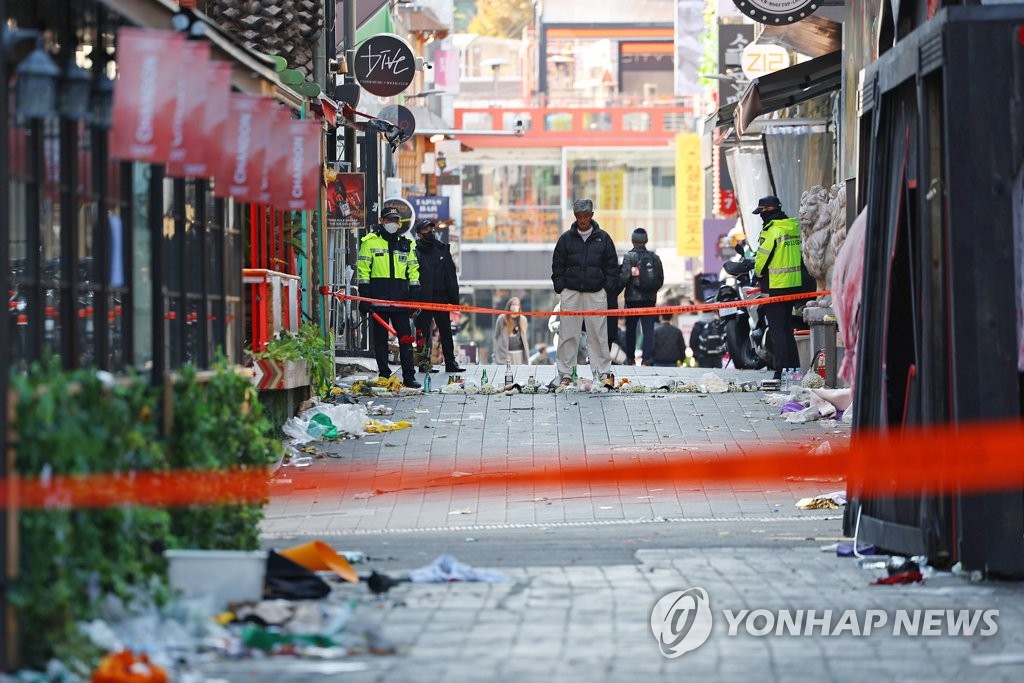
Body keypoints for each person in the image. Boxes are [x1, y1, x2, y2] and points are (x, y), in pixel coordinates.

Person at [551, 198, 618, 388]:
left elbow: (612, 266)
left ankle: (602, 372)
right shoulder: (566, 239)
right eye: (579, 216)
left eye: (585, 216)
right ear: (575, 217)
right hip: (571, 291)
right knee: (567, 333)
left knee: (598, 333)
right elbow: (557, 265)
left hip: (596, 292)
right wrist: (561, 288)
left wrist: (606, 288)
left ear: (591, 216)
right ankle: (566, 373)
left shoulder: (603, 238)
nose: (582, 220)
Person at [357, 207, 421, 388]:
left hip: (401, 300)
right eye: (389, 220)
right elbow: (363, 271)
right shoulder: (369, 242)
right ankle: (385, 375)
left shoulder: (406, 244)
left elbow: (413, 271)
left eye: (396, 220)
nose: (393, 223)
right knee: (380, 340)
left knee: (406, 339)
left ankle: (409, 376)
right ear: (382, 221)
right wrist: (365, 297)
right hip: (378, 299)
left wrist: (414, 297)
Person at [752, 195, 808, 380]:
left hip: (775, 285)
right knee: (786, 328)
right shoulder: (792, 226)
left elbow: (761, 259)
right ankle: (794, 370)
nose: (760, 216)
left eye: (761, 212)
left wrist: (758, 275)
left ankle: (780, 371)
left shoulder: (771, 230)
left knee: (777, 330)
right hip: (794, 285)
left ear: (768, 211)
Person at [411, 218, 466, 373]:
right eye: (426, 230)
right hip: (424, 299)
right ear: (419, 234)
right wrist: (414, 298)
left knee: (446, 331)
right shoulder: (415, 252)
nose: (430, 232)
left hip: (440, 298)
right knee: (423, 332)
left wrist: (454, 298)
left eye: (431, 229)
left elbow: (450, 275)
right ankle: (424, 363)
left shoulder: (442, 249)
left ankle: (450, 363)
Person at [618, 227, 664, 365]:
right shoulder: (655, 258)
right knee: (648, 330)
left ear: (632, 241)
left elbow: (624, 278)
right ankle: (647, 359)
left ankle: (630, 358)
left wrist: (614, 291)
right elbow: (660, 279)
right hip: (650, 299)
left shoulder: (629, 257)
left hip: (632, 300)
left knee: (631, 329)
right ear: (646, 241)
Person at [493, 297, 529, 364]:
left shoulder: (523, 319)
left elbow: (524, 336)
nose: (515, 307)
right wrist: (495, 352)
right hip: (505, 354)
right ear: (509, 306)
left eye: (517, 305)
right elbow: (496, 336)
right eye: (513, 304)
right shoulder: (502, 318)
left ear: (519, 307)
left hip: (519, 353)